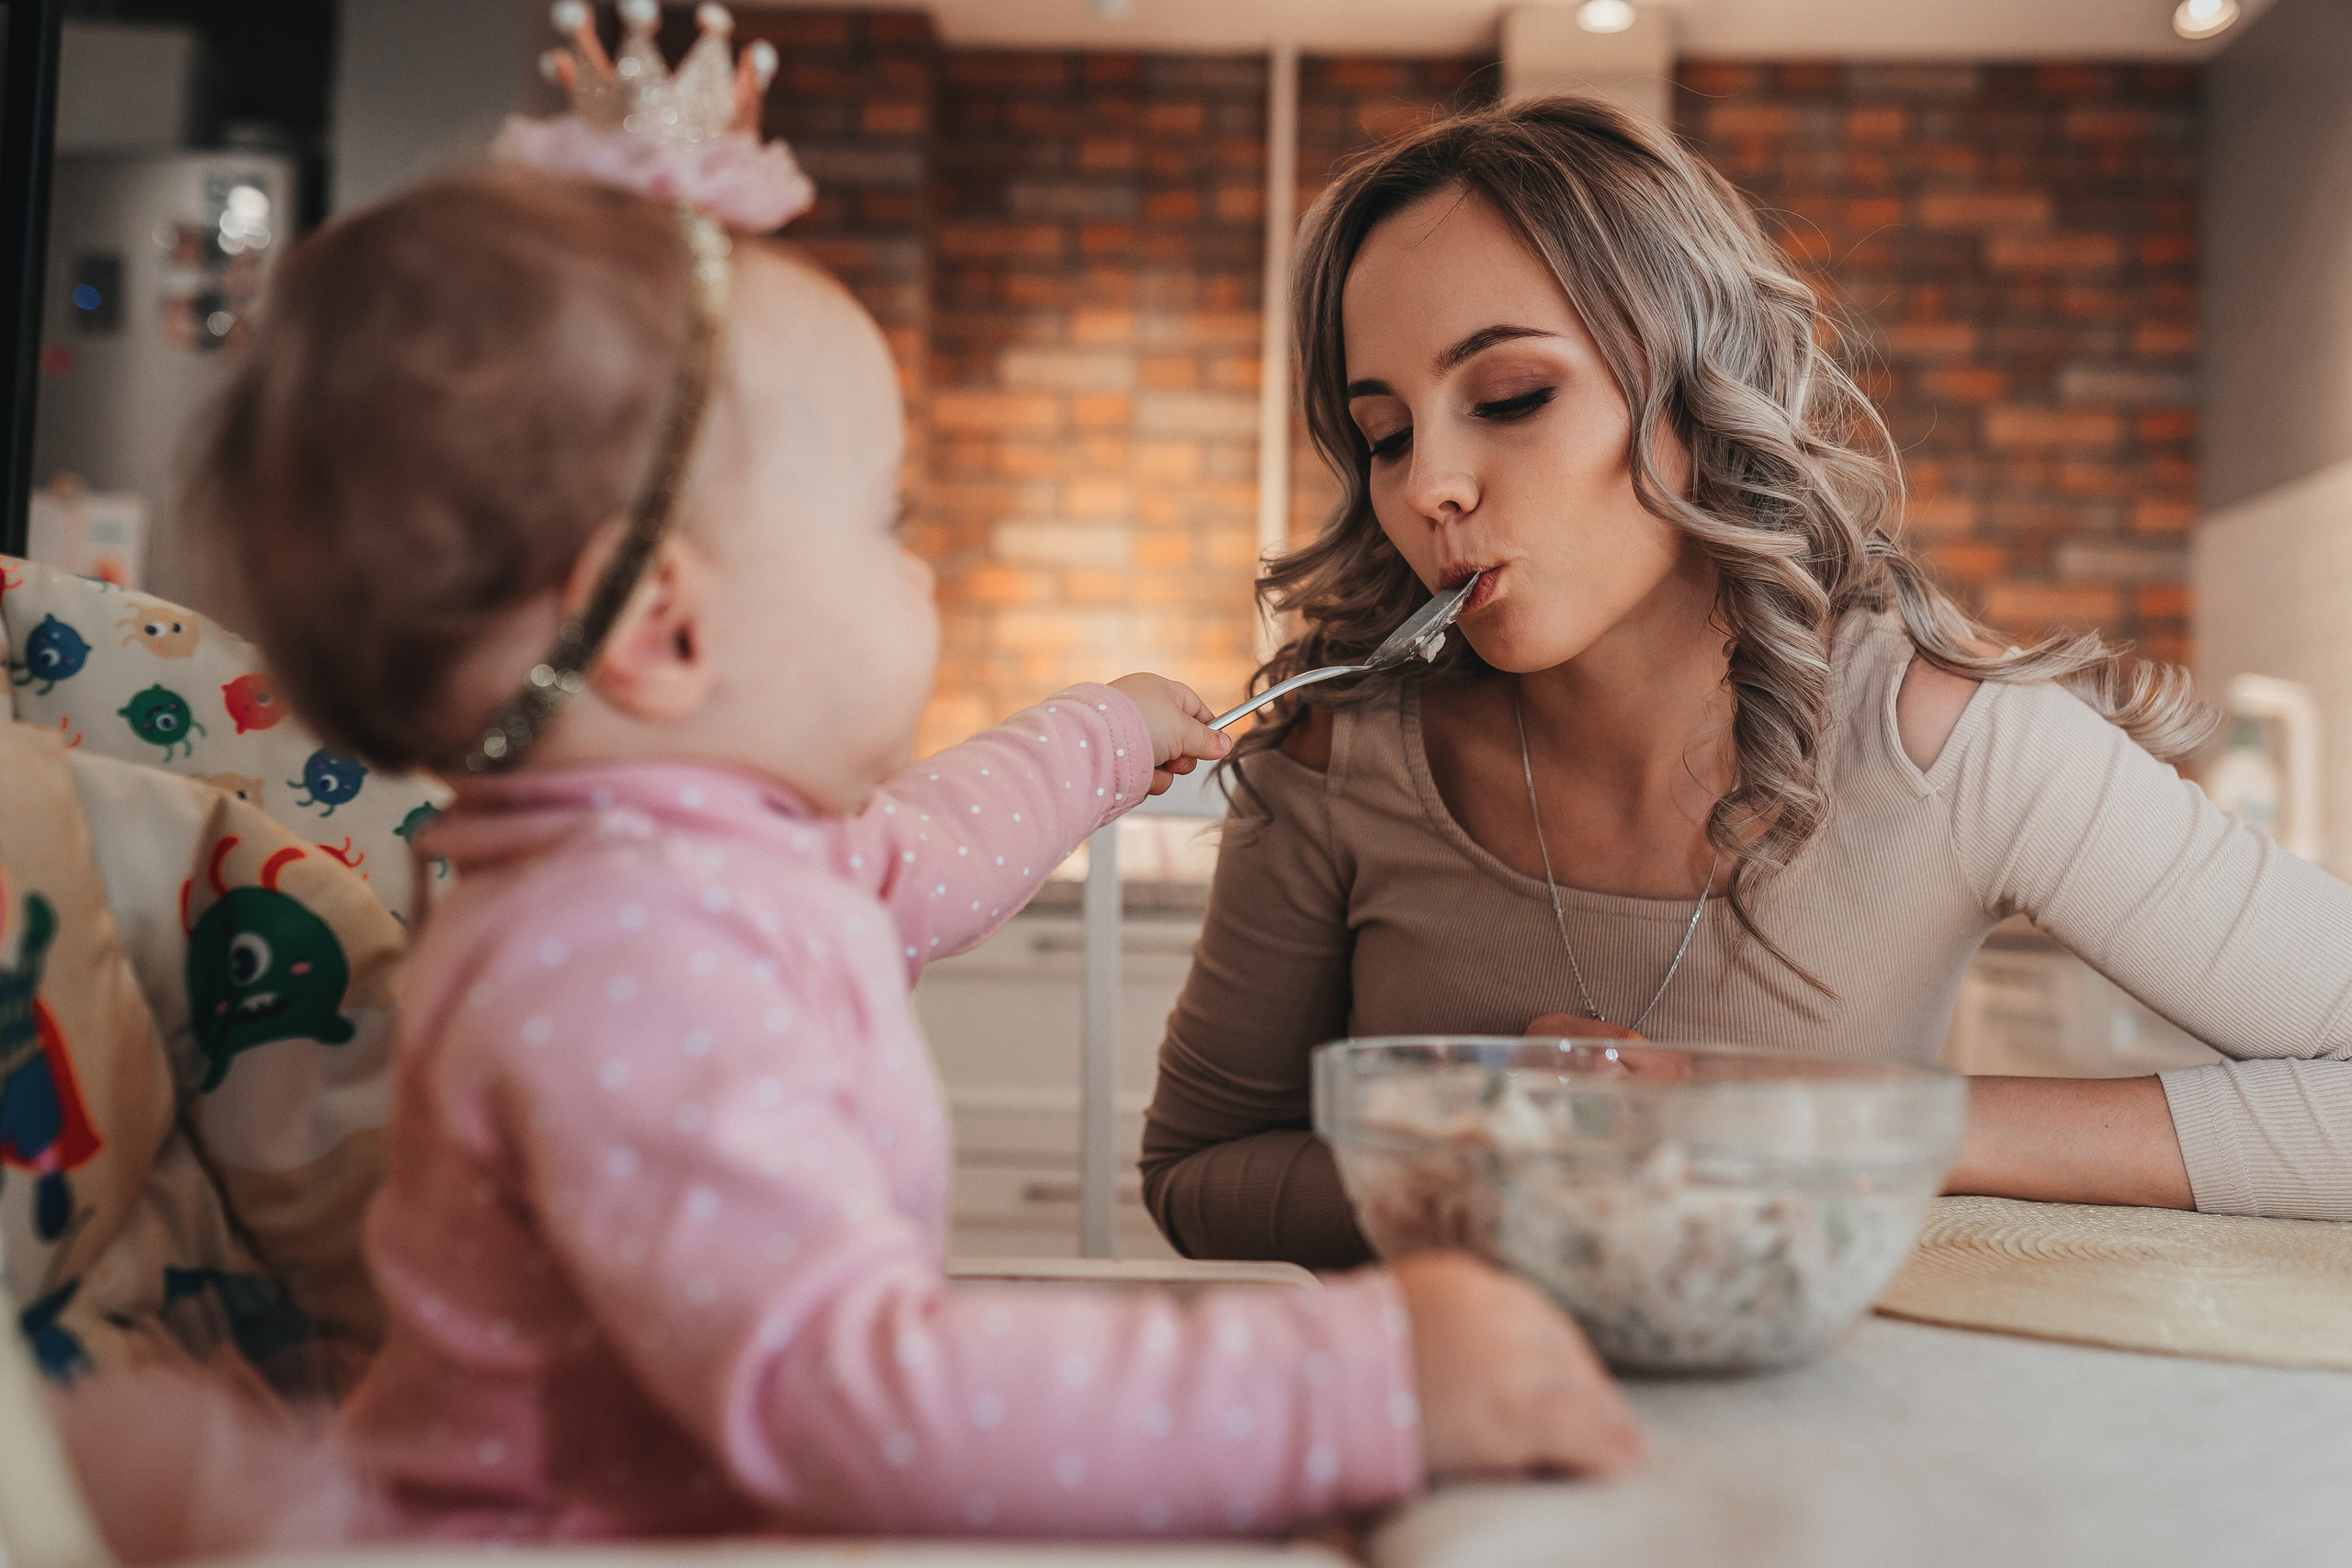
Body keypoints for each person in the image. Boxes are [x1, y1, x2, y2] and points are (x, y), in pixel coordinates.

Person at [75, 152, 1644, 1553]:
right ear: (672, 629)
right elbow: (844, 1395)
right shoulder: (624, 958)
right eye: (888, 521)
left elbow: (921, 856)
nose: (924, 563)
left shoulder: (691, 866)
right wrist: (1353, 1385)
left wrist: (1100, 737)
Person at [1141, 95, 2352, 1271]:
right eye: (1385, 432)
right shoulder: (1333, 755)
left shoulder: (1948, 741)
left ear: (1698, 386)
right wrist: (1488, 1175)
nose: (1427, 487)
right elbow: (1196, 1176)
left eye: (1511, 397)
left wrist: (1846, 1118)